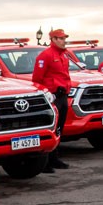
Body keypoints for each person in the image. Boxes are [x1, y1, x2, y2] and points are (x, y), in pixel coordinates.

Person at [31, 28, 72, 171]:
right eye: (61, 38)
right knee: (51, 128)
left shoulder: (64, 55)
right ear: (53, 39)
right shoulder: (46, 55)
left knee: (59, 128)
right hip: (53, 96)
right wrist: (48, 93)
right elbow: (37, 78)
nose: (64, 41)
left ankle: (54, 158)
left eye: (64, 38)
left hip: (63, 95)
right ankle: (46, 161)